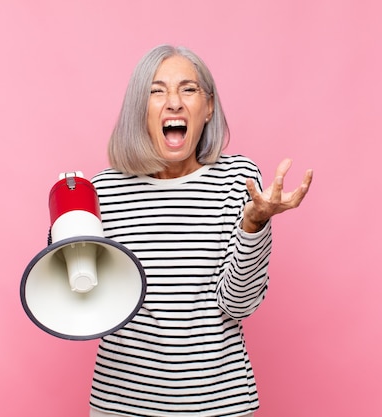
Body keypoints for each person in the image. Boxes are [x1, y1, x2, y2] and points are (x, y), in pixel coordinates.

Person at [88, 44, 313, 417]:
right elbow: (87, 305)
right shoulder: (105, 191)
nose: (173, 102)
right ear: (138, 110)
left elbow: (238, 305)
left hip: (220, 406)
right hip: (122, 406)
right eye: (156, 91)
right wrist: (66, 235)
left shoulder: (238, 181)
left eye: (188, 89)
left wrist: (254, 224)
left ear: (208, 108)